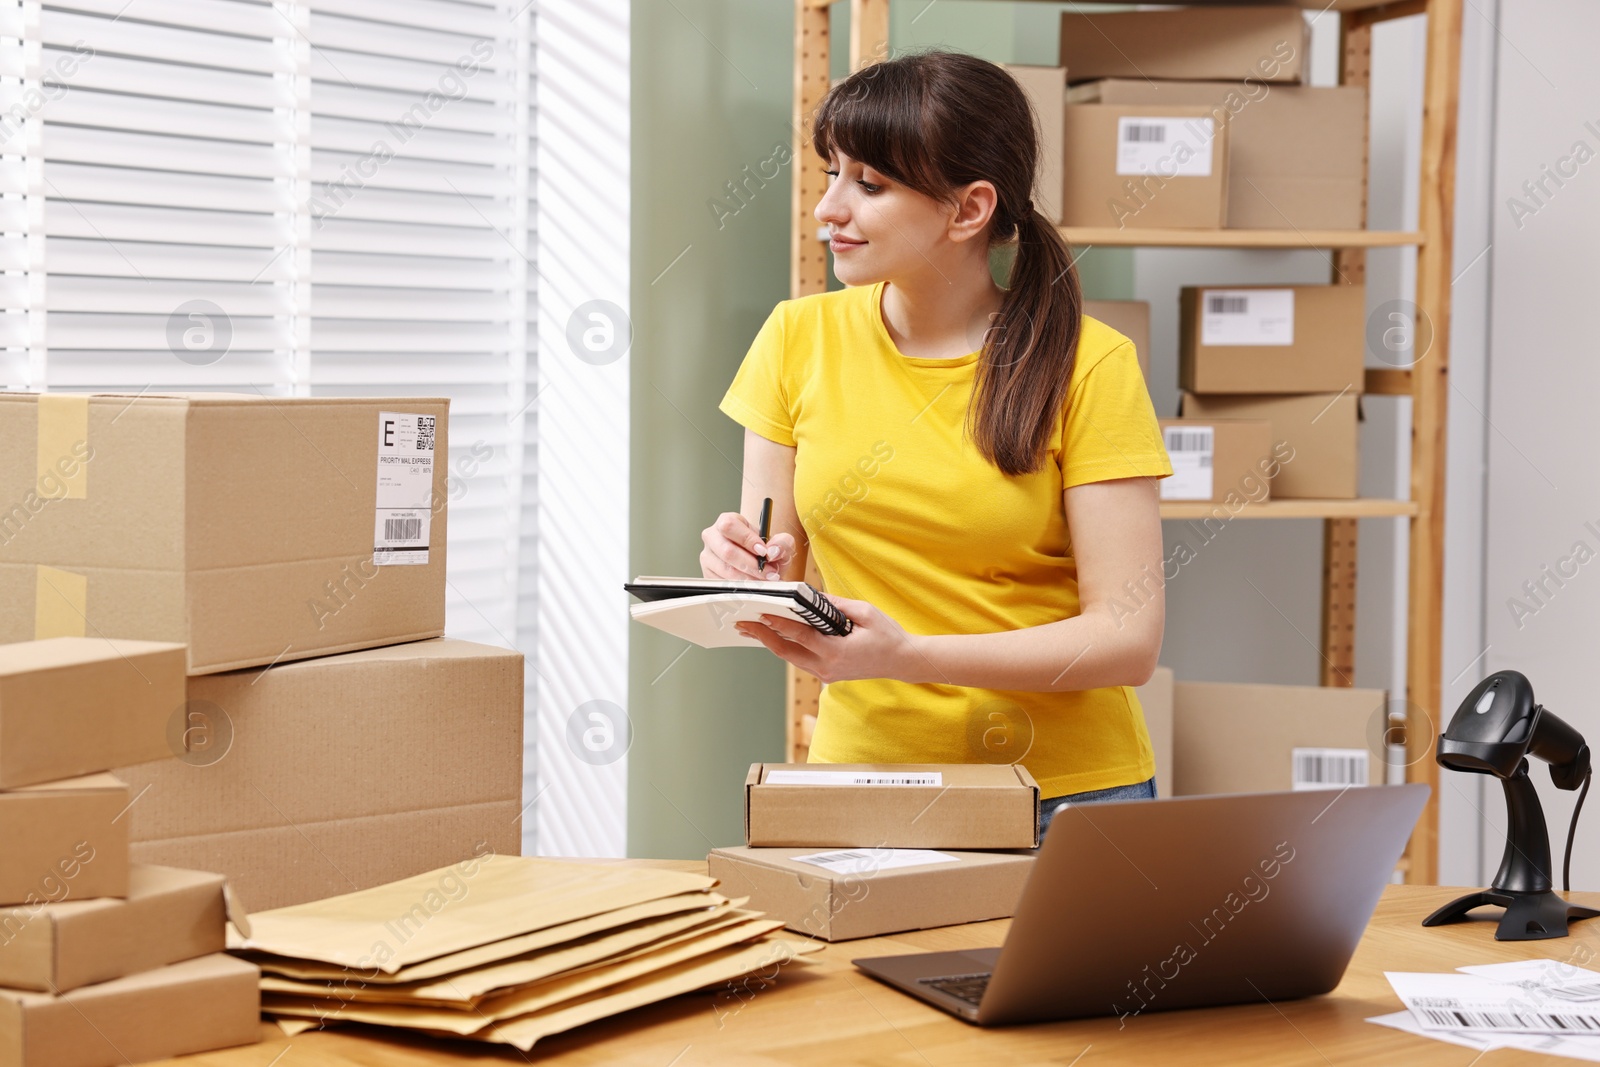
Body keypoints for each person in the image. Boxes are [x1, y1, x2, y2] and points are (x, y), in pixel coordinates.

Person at [700, 50, 1173, 834]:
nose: (829, 209)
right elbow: (779, 569)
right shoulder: (795, 337)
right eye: (832, 173)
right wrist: (740, 566)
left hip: (1062, 796)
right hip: (864, 786)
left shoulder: (1092, 364)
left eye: (870, 184)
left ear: (968, 209)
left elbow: (1126, 640)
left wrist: (909, 655)